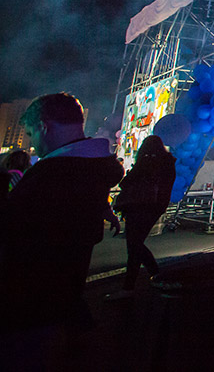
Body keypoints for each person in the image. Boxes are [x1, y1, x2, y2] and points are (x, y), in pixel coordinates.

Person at [0, 93, 124, 348]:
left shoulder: (52, 175)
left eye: (31, 134)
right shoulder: (92, 169)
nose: (32, 144)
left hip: (27, 307)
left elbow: (16, 238)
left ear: (44, 127)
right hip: (60, 299)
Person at [116, 135, 176, 291]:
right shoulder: (168, 163)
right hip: (154, 208)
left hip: (137, 206)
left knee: (134, 245)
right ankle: (145, 279)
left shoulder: (146, 162)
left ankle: (149, 277)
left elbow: (125, 183)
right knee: (136, 244)